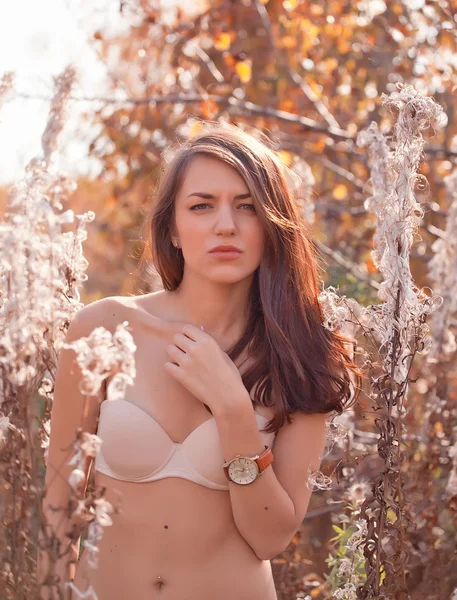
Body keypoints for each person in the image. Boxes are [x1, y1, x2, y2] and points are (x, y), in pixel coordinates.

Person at [39, 122, 362, 600]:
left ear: (273, 224)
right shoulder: (103, 329)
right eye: (201, 206)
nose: (225, 225)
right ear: (171, 226)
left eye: (247, 206)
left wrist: (233, 411)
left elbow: (269, 536)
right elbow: (59, 498)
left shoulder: (305, 354)